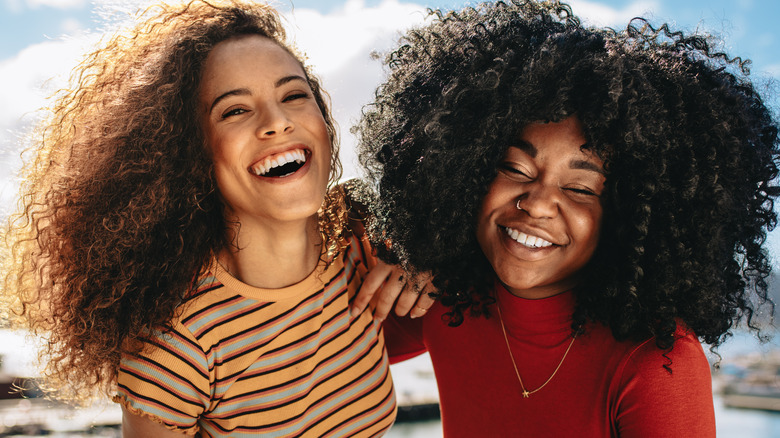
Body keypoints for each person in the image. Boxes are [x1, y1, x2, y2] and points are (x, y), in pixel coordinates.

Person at [354, 1, 779, 436]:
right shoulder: (444, 297)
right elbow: (302, 342)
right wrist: (385, 249)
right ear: (465, 170)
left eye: (579, 190)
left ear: (629, 214)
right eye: (515, 169)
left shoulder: (656, 363)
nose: (537, 204)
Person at [0, 1, 406, 436]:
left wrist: (423, 264)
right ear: (190, 153)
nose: (277, 122)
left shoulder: (368, 233)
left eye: (293, 95)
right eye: (234, 110)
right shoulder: (177, 343)